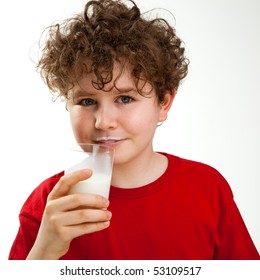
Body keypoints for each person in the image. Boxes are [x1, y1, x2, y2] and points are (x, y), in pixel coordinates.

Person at [9, 0, 259, 260]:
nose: (103, 122)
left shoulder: (207, 189)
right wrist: (43, 252)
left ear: (163, 103)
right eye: (87, 101)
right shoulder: (49, 204)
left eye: (125, 99)